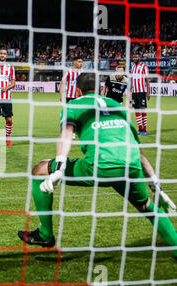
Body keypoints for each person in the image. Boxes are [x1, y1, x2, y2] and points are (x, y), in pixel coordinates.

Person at [18, 72, 177, 260]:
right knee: (146, 206)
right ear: (99, 87)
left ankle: (45, 235)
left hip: (99, 166)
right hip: (131, 165)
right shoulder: (116, 105)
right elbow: (138, 150)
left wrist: (59, 168)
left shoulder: (74, 105)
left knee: (40, 169)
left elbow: (66, 134)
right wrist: (155, 186)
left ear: (77, 90)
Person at [130, 53, 150, 136]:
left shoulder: (144, 67)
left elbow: (147, 81)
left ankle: (144, 129)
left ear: (139, 58)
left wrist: (148, 92)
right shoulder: (132, 68)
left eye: (136, 56)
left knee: (142, 109)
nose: (134, 58)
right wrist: (131, 91)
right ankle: (140, 128)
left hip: (142, 92)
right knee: (136, 110)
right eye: (133, 57)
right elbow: (132, 80)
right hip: (134, 92)